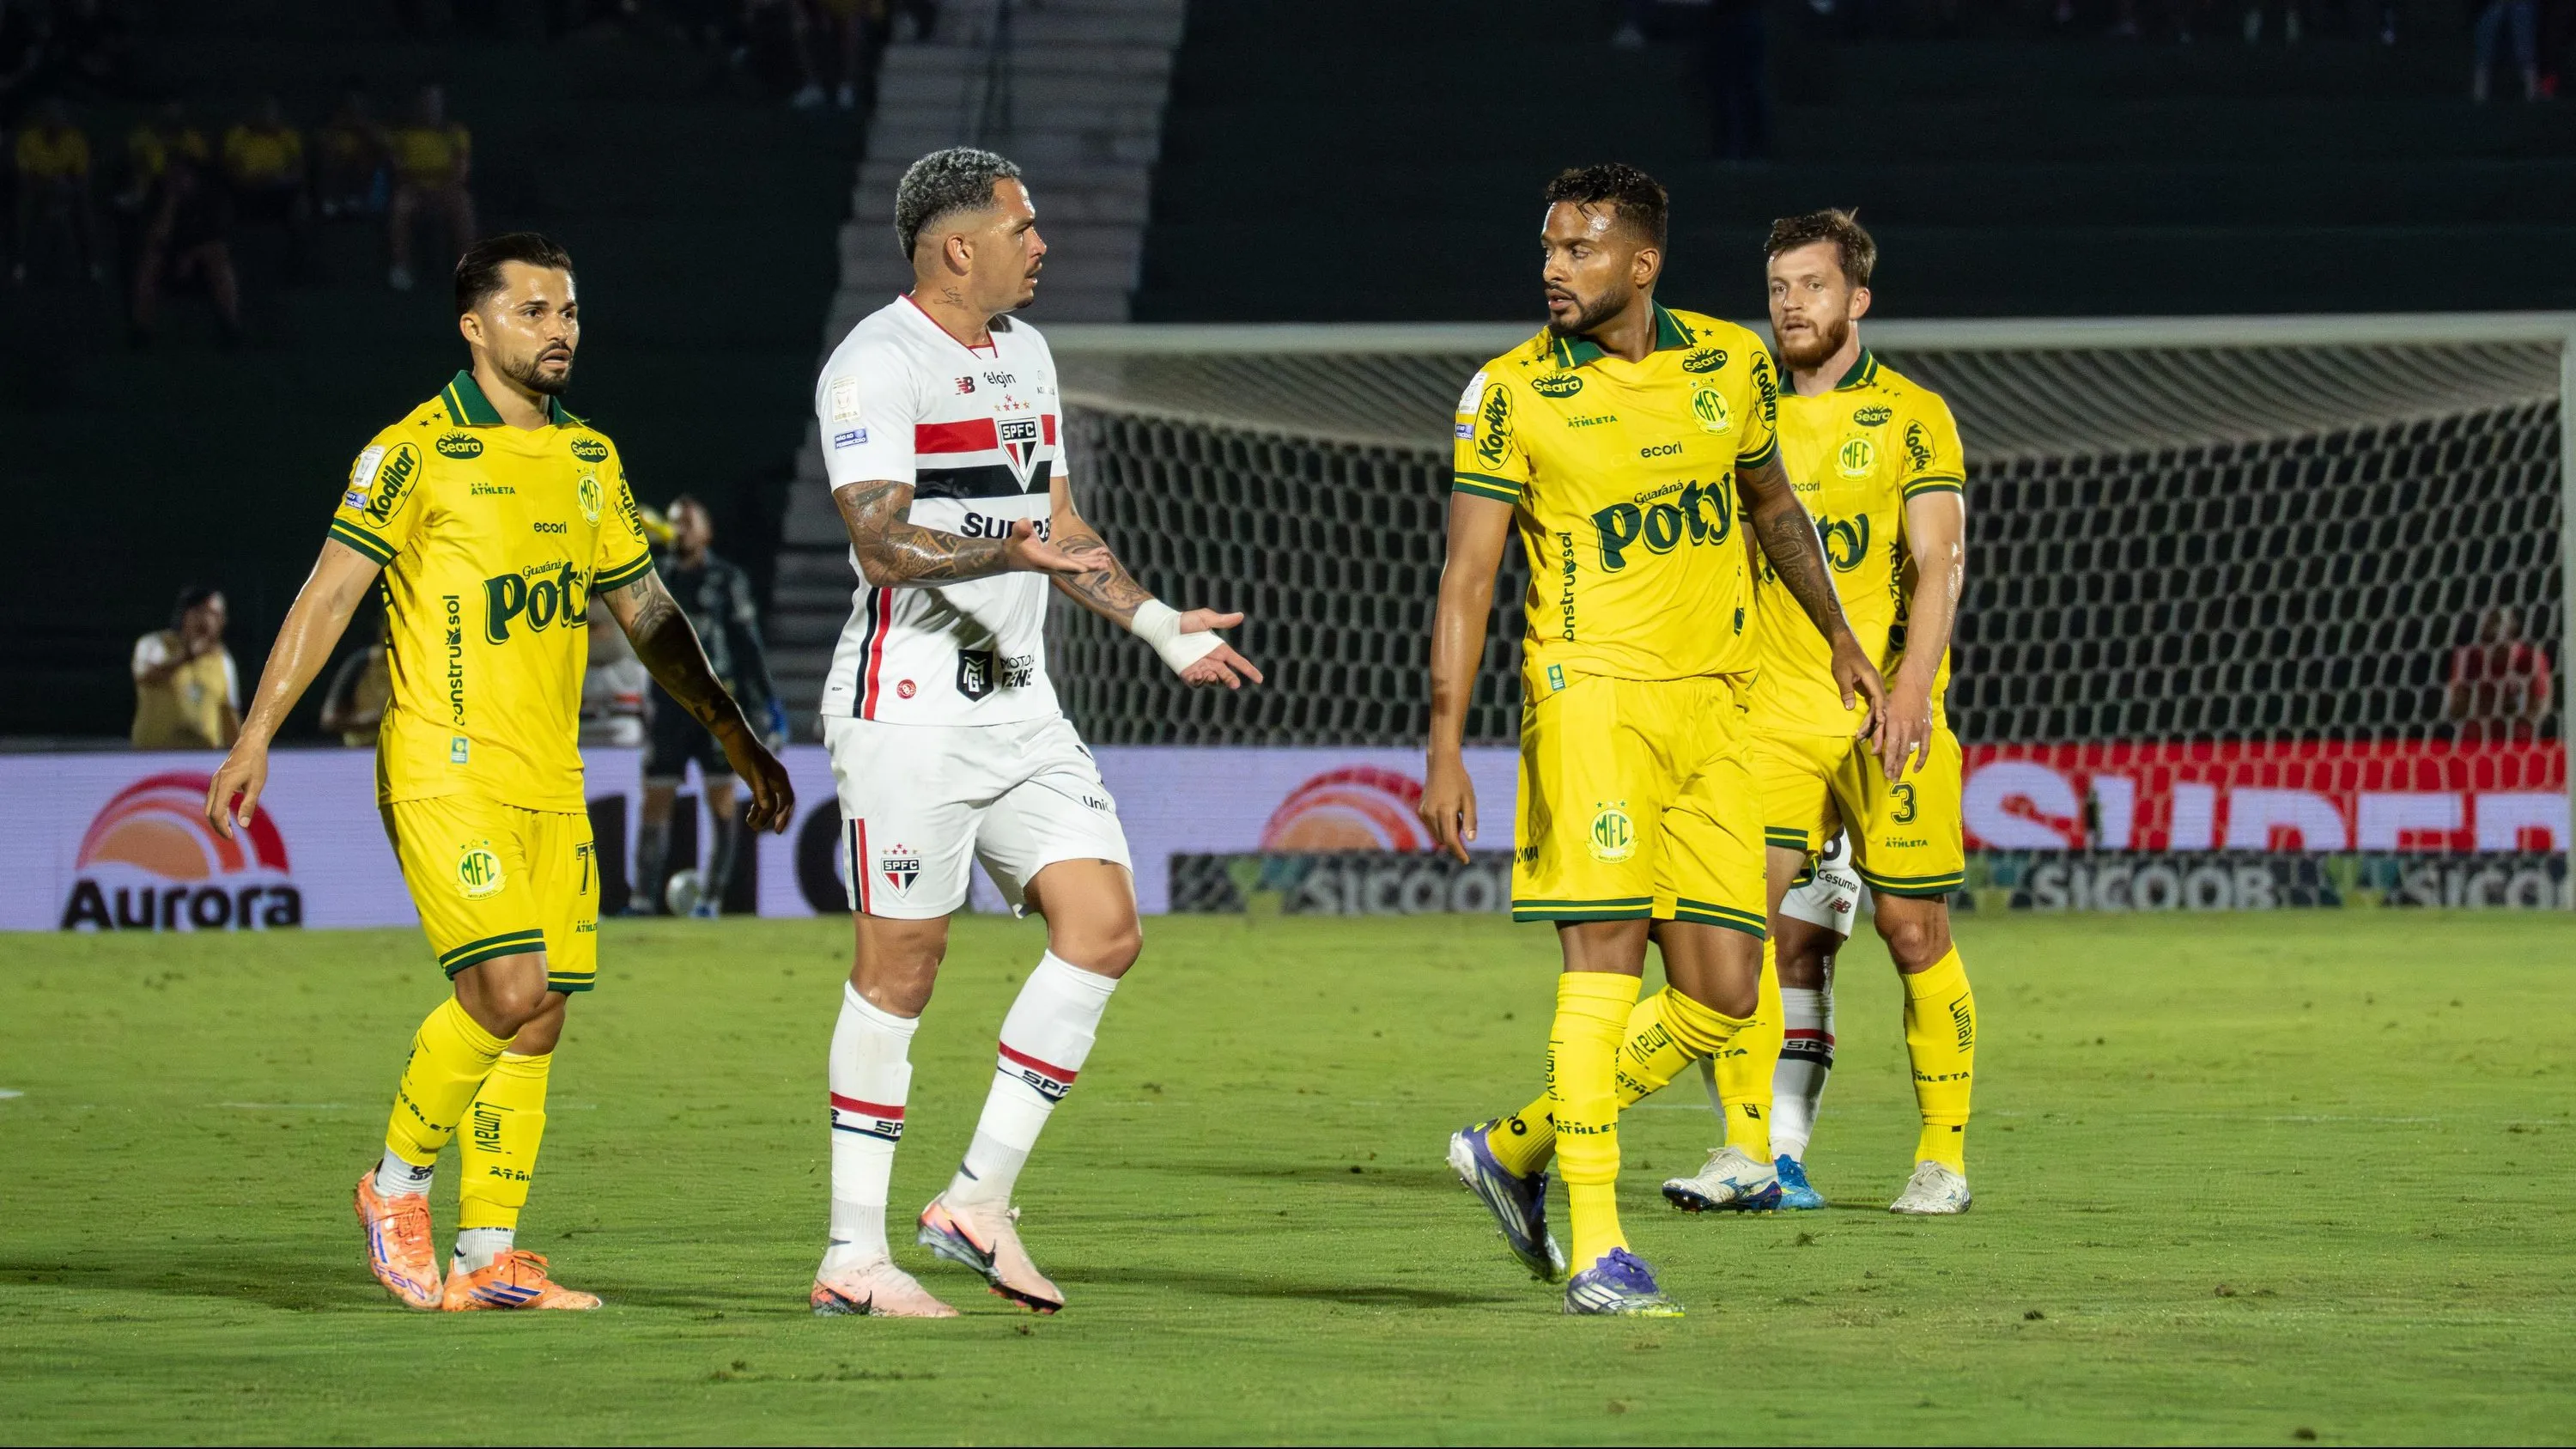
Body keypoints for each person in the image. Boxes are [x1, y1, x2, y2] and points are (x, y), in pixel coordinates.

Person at [201, 232, 793, 1313]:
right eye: (533, 311)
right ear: (473, 326)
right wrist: (254, 735)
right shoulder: (413, 452)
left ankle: (490, 1252)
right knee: (503, 990)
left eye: (568, 311)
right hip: (443, 759)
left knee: (544, 1012)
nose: (559, 329)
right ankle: (393, 1188)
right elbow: (329, 593)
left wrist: (729, 727)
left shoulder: (591, 460)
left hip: (550, 775)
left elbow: (649, 612)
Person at [806, 145, 1259, 1318]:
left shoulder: (1028, 353)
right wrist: (1006, 550)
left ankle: (975, 1198)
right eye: (1023, 226)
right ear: (959, 246)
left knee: (1104, 928)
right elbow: (878, 540)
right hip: (907, 712)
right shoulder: (875, 365)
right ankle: (853, 1255)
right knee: (902, 968)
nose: (1042, 243)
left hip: (1020, 703)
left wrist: (1159, 624)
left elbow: (1057, 520)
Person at [1427, 164, 1884, 1317]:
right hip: (1591, 703)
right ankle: (1600, 1244)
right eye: (1546, 249)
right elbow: (1469, 578)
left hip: (1718, 708)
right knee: (1602, 968)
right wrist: (1444, 744)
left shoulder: (1729, 364)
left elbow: (1773, 506)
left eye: (1578, 249)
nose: (1552, 269)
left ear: (1643, 262)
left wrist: (1836, 632)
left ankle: (1515, 1145)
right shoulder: (1509, 391)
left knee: (1726, 991)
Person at [1661, 209, 1978, 1216]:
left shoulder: (1913, 412)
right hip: (1769, 711)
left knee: (1913, 929)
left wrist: (1914, 691)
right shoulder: (1733, 412)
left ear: (1858, 300)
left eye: (1814, 286)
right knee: (1733, 925)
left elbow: (1941, 562)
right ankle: (1749, 1149)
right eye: (1781, 287)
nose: (1792, 304)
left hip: (1890, 712)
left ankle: (1942, 1157)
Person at [629, 494, 782, 917]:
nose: (680, 530)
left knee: (720, 799)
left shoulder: (727, 579)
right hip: (669, 703)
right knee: (655, 798)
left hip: (717, 702)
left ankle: (711, 900)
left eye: (689, 523)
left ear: (707, 532)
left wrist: (767, 704)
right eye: (674, 522)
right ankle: (642, 899)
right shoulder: (655, 579)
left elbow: (747, 646)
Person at [130, 152, 242, 347]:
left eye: (181, 176)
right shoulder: (159, 197)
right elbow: (156, 239)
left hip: (202, 262)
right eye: (171, 177)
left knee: (218, 259)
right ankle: (142, 331)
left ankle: (230, 328)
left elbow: (217, 239)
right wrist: (170, 203)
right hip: (169, 261)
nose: (176, 182)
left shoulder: (211, 199)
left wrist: (190, 255)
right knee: (149, 262)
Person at [385, 84, 472, 292]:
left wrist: (439, 189)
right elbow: (398, 172)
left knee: (463, 203)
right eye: (425, 102)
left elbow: (461, 172)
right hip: (414, 192)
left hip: (446, 191)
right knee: (400, 205)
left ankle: (467, 272)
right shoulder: (402, 135)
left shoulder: (455, 133)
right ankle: (401, 268)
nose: (430, 107)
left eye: (435, 102)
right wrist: (422, 188)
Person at [131, 585, 240, 749]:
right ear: (184, 614)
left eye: (216, 615)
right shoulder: (155, 644)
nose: (208, 620)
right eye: (201, 611)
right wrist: (187, 657)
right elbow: (144, 675)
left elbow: (229, 714)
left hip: (203, 761)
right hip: (153, 758)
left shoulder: (223, 659)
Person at [11, 97, 100, 283]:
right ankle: (20, 263)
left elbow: (83, 177)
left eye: (59, 119)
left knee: (85, 207)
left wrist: (68, 189)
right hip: (38, 187)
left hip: (68, 188)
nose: (54, 123)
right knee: (24, 206)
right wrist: (49, 187)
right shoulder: (29, 139)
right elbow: (24, 176)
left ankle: (91, 263)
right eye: (49, 118)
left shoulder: (75, 140)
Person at [221, 94, 310, 264]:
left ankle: (300, 261)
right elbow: (232, 171)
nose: (266, 115)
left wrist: (277, 179)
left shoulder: (287, 136)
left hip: (278, 192)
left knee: (301, 203)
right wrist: (255, 179)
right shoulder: (237, 134)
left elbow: (299, 171)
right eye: (262, 110)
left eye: (271, 111)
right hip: (246, 193)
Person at [2446, 604, 2553, 743]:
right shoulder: (2466, 659)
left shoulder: (2532, 659)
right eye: (2488, 638)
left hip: (2518, 743)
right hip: (2475, 743)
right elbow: (2455, 708)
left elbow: (2539, 708)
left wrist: (2503, 707)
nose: (2494, 647)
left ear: (2513, 633)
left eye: (2502, 639)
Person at [314, 82, 387, 221]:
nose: (353, 106)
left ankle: (356, 201)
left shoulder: (372, 127)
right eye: (350, 101)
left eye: (357, 101)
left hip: (364, 181)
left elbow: (383, 149)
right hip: (337, 177)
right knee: (332, 160)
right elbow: (323, 145)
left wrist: (363, 128)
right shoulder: (335, 126)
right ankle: (332, 202)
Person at [319, 611, 392, 746]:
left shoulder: (418, 667)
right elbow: (329, 719)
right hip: (359, 751)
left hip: (400, 751)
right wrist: (368, 721)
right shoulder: (361, 663)